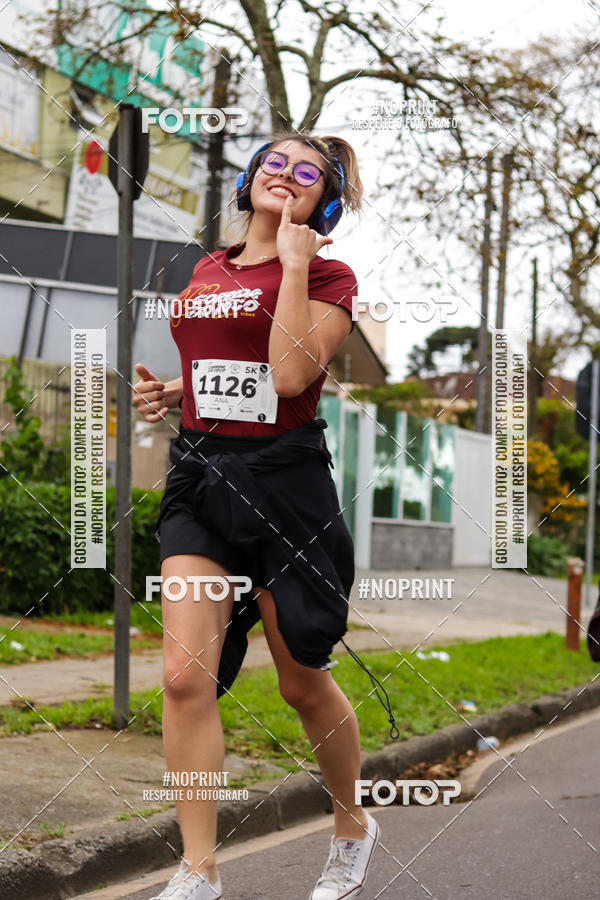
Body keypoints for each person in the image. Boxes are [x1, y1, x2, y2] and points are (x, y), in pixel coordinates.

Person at [133, 133, 389, 900]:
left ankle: (352, 827)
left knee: (300, 682)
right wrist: (179, 392)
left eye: (307, 174)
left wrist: (298, 260)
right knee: (184, 678)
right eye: (274, 164)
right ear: (248, 181)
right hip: (202, 480)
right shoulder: (207, 267)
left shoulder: (331, 273)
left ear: (325, 201)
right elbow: (230, 363)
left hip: (286, 487)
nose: (286, 175)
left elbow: (287, 374)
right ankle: (199, 870)